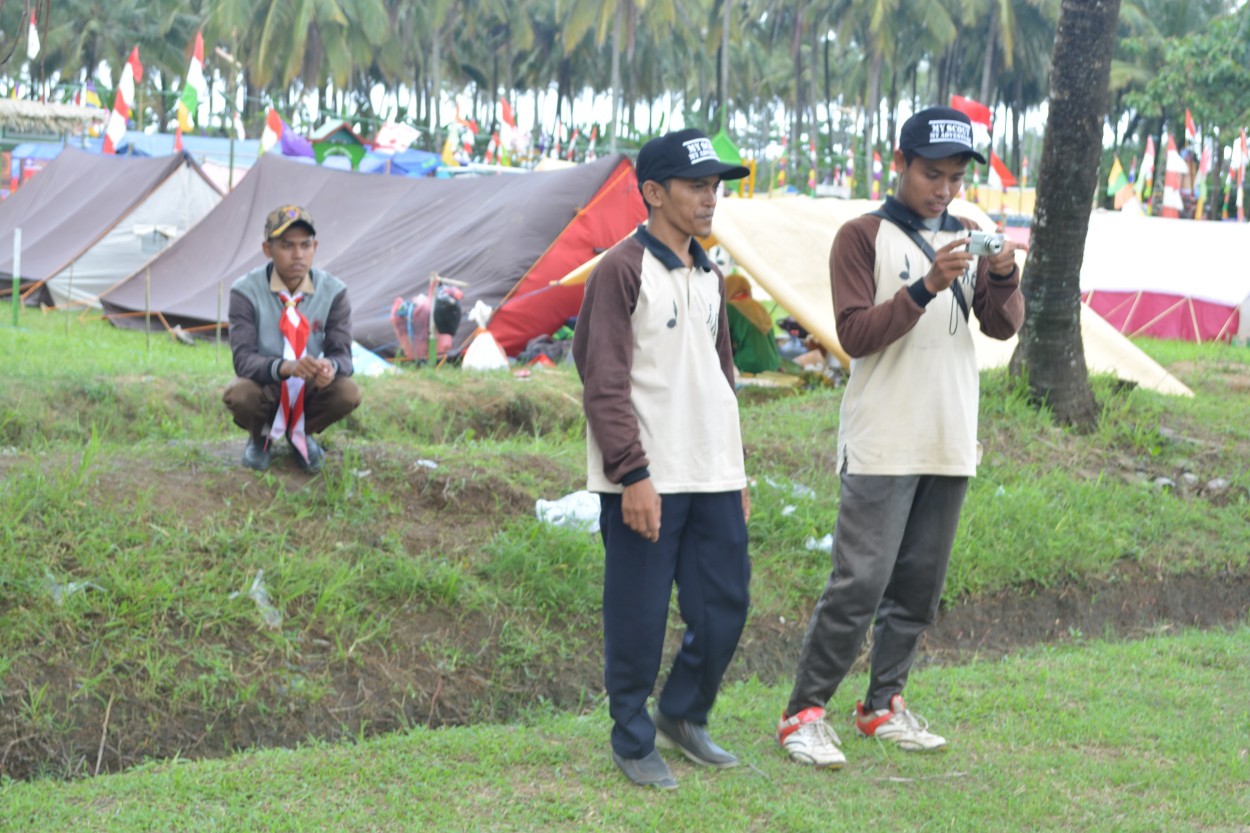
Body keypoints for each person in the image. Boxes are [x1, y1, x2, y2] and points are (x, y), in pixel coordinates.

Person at [775, 107, 1026, 768]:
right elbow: (853, 334)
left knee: (918, 584)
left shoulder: (968, 233)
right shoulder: (861, 237)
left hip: (949, 433)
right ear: (900, 164)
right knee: (860, 580)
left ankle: (882, 703)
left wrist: (1000, 270)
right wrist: (927, 284)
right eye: (930, 174)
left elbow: (1002, 328)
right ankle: (804, 711)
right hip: (885, 435)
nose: (942, 189)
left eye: (953, 177)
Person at [572, 128, 752, 790]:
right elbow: (602, 381)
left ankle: (683, 712)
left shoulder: (710, 272)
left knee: (726, 603)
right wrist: (633, 475)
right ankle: (632, 735)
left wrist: (738, 471)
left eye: (715, 186)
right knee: (638, 614)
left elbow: (721, 379)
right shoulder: (621, 269)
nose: (711, 198)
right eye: (697, 185)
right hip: (646, 477)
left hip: (713, 471)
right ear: (653, 192)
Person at [223, 205, 361, 474]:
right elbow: (243, 360)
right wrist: (285, 368)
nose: (298, 255)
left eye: (305, 245)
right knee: (239, 393)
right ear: (267, 249)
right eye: (287, 246)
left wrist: (329, 368)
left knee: (347, 392)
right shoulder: (245, 291)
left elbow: (343, 355)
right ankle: (261, 436)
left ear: (315, 247)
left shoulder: (334, 292)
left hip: (307, 387)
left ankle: (302, 434)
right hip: (267, 384)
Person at [724, 273, 782, 374]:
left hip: (747, 363)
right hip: (773, 363)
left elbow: (720, 339)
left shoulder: (730, 308)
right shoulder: (759, 306)